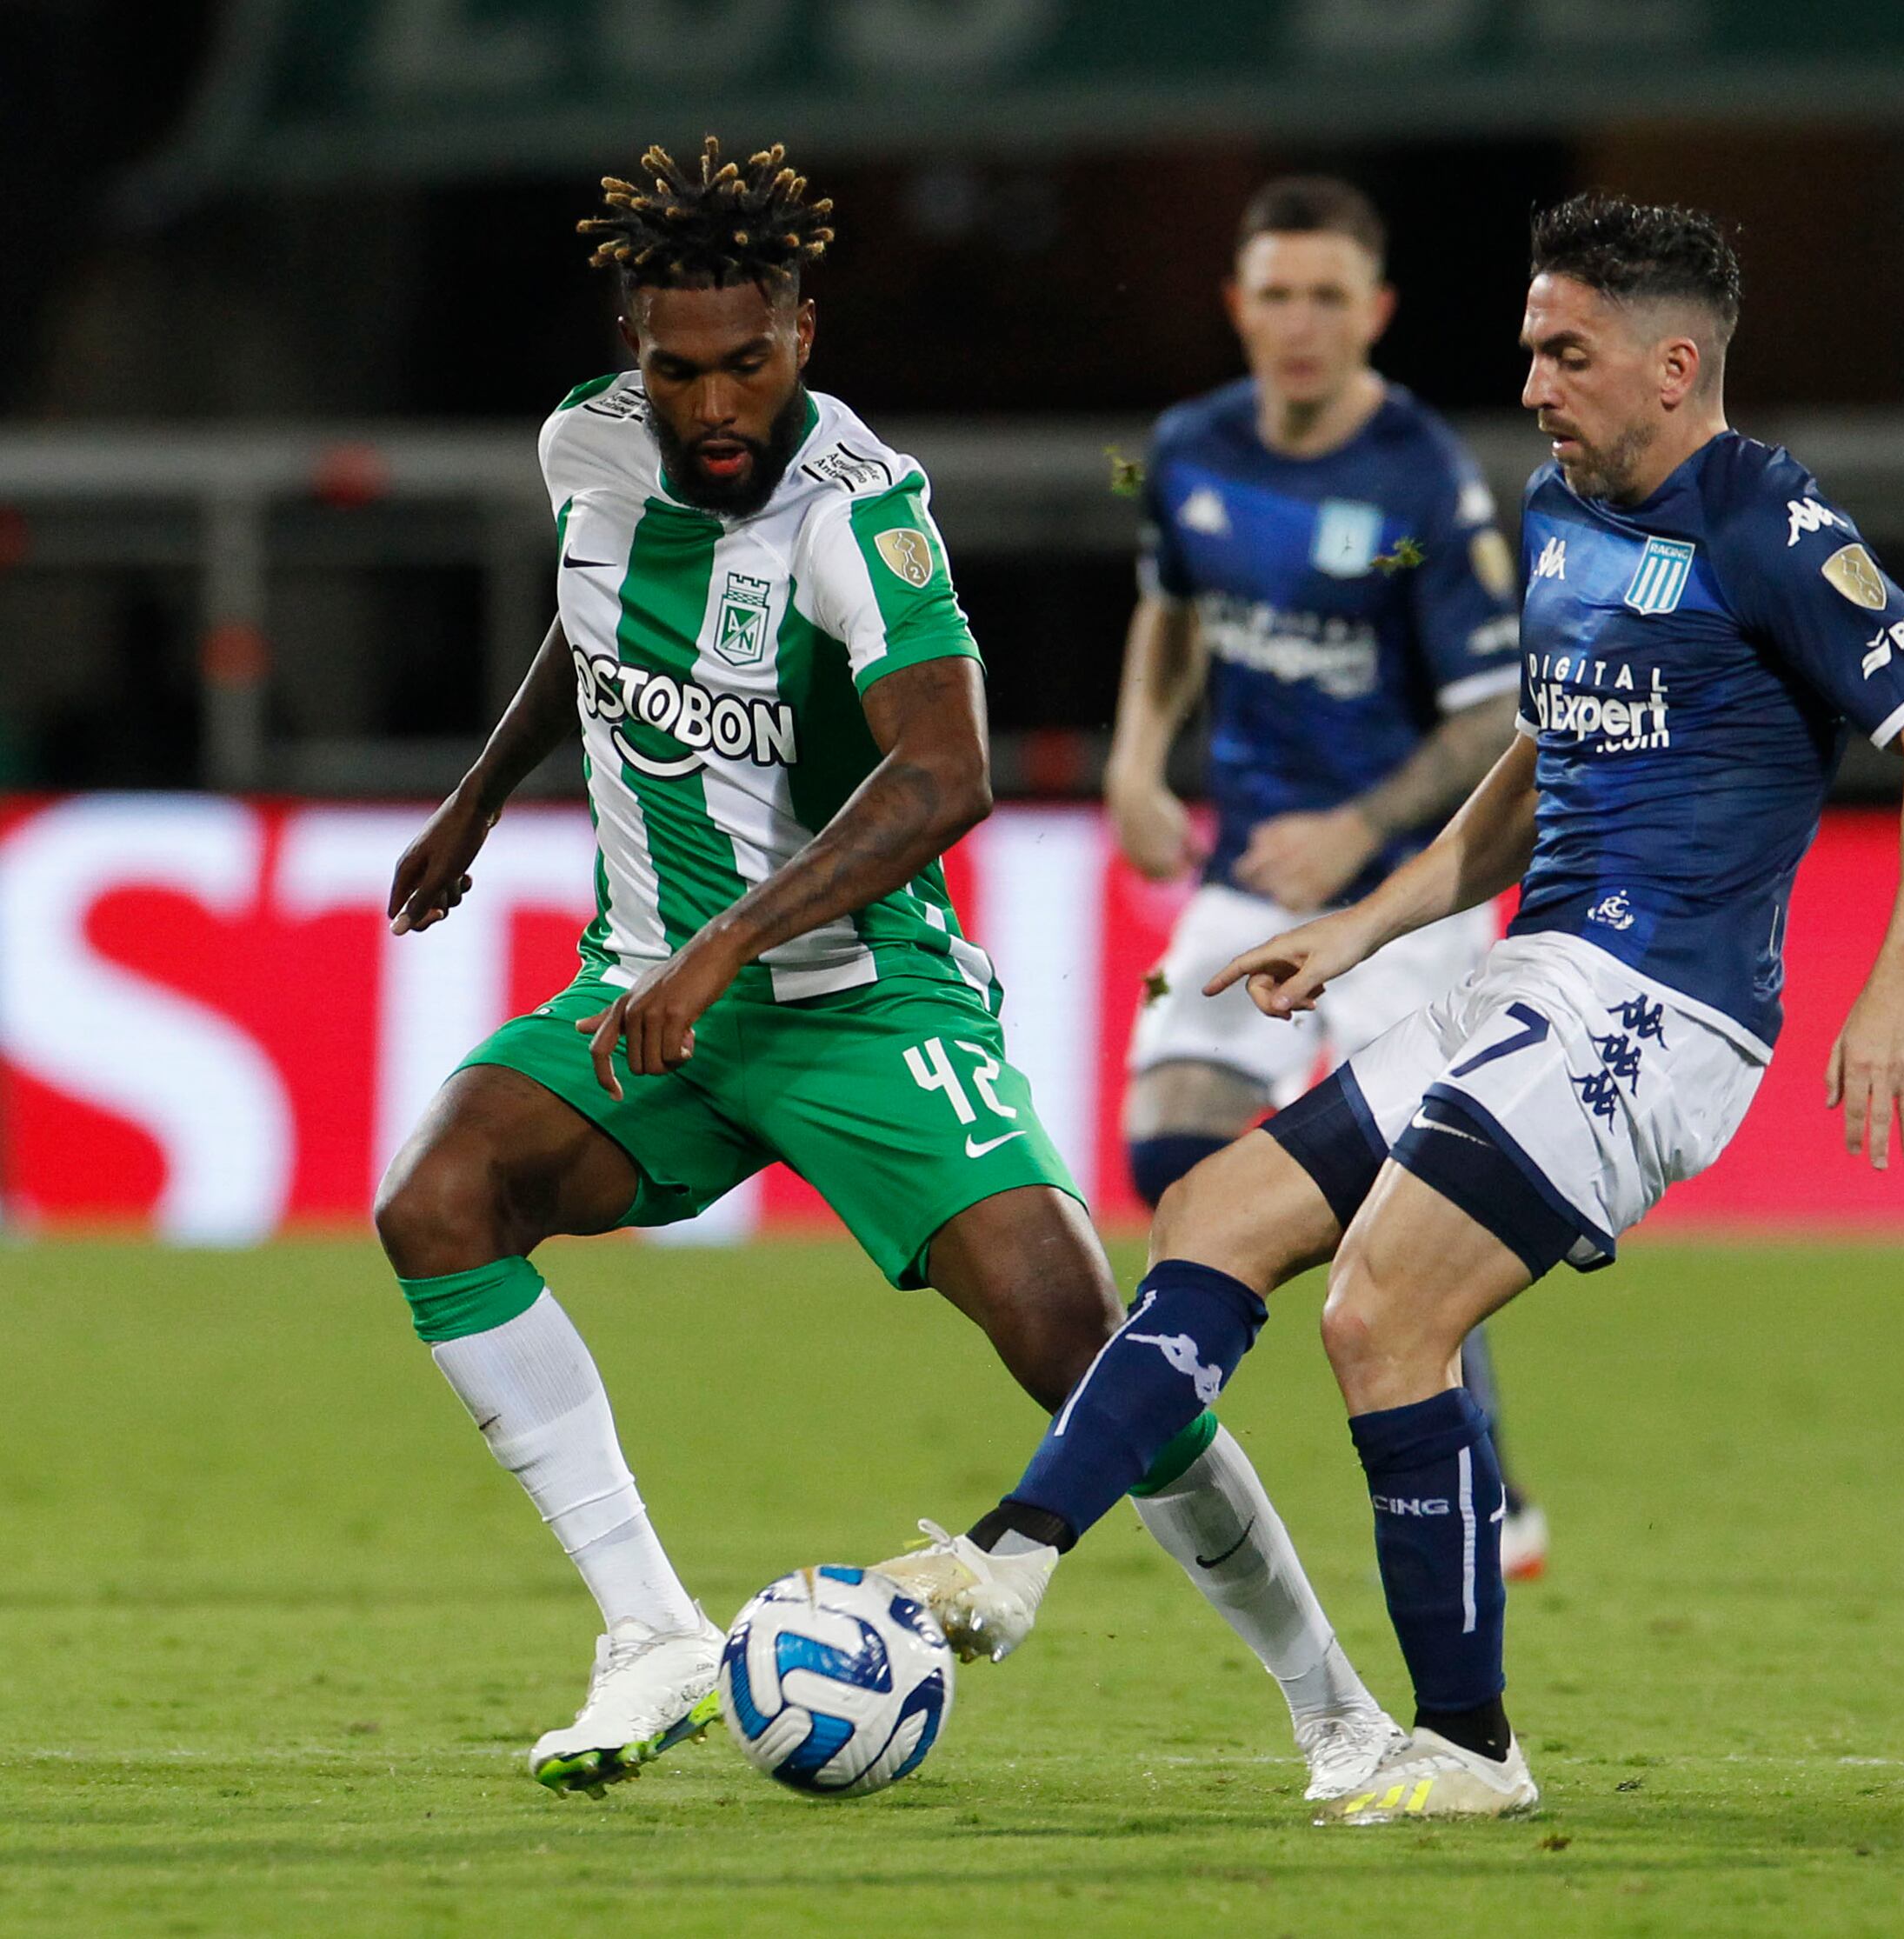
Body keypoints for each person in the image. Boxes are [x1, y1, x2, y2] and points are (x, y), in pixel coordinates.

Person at [876, 192, 1904, 1827]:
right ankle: (1012, 1559)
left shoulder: (1772, 525)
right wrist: (1367, 920)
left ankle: (1469, 1744)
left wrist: (1901, 984)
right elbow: (1540, 761)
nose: (1537, 384)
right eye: (1531, 348)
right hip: (1527, 974)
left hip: (1661, 1010)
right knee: (1215, 1204)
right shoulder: (1561, 509)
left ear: (1676, 365)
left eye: (1570, 353)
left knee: (1381, 1313)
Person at [373, 138, 1397, 1800]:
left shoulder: (864, 517)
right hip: (650, 988)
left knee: (1084, 1339)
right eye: (677, 367)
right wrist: (478, 798)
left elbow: (946, 775)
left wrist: (726, 943)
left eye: (748, 363)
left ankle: (1337, 1709)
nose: (714, 403)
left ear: (805, 330)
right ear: (634, 349)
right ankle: (651, 1634)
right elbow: (592, 617)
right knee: (436, 1201)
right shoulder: (586, 443)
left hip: (859, 1002)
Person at [1109, 177, 1554, 1580]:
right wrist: (1136, 761)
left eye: (1327, 297)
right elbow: (1172, 613)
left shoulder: (1421, 484)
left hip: (1402, 888)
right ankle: (1201, 1387)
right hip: (1251, 869)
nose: (1299, 323)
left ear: (1375, 312)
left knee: (1408, 1197)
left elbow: (1496, 715)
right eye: (1275, 295)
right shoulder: (1187, 450)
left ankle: (1483, 1478)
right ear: (1240, 306)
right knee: (1169, 1134)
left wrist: (1358, 825)